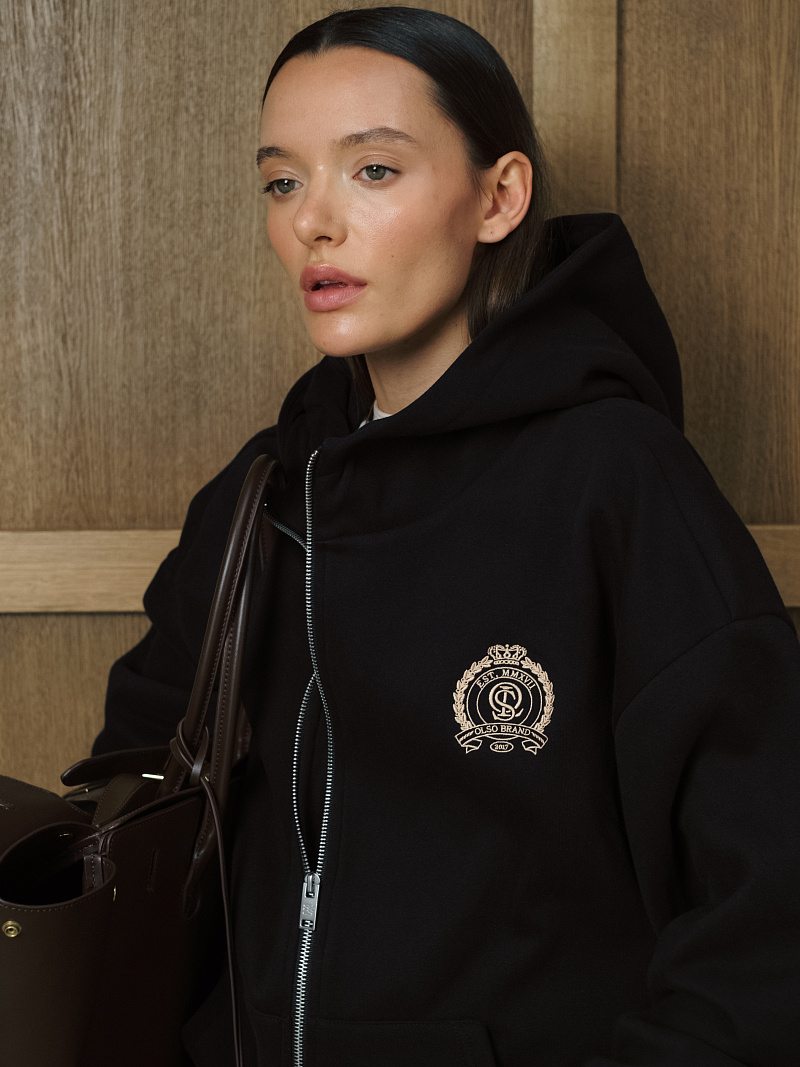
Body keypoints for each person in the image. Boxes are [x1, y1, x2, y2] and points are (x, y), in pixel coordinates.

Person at [92, 7, 800, 1066]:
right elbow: (128, 816)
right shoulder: (262, 496)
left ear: (498, 196)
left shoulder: (615, 477)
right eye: (281, 182)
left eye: (372, 171)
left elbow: (768, 899)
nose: (313, 222)